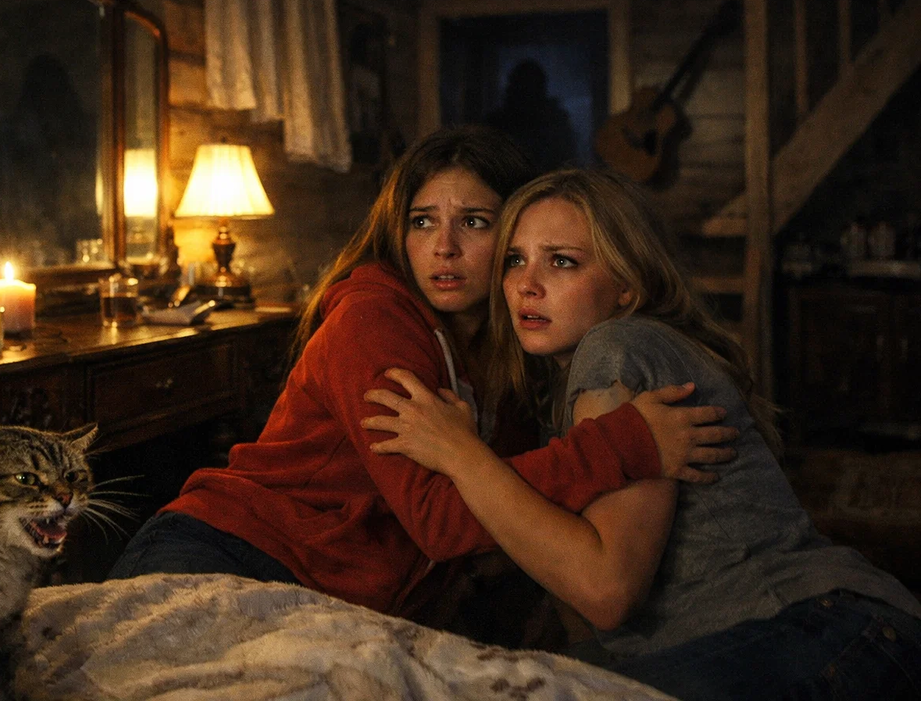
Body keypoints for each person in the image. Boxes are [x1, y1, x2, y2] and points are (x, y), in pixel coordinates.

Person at [108, 127, 736, 617]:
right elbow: (441, 521)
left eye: (474, 222)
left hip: (336, 601)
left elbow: (509, 507)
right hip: (232, 551)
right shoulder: (373, 321)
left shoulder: (522, 349)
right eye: (422, 221)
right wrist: (624, 444)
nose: (444, 247)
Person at [364, 168, 921, 698]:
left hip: (816, 625)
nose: (526, 285)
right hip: (819, 633)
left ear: (626, 289)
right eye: (515, 260)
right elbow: (581, 609)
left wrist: (460, 452)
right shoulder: (559, 391)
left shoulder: (617, 347)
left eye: (562, 262)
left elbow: (606, 590)